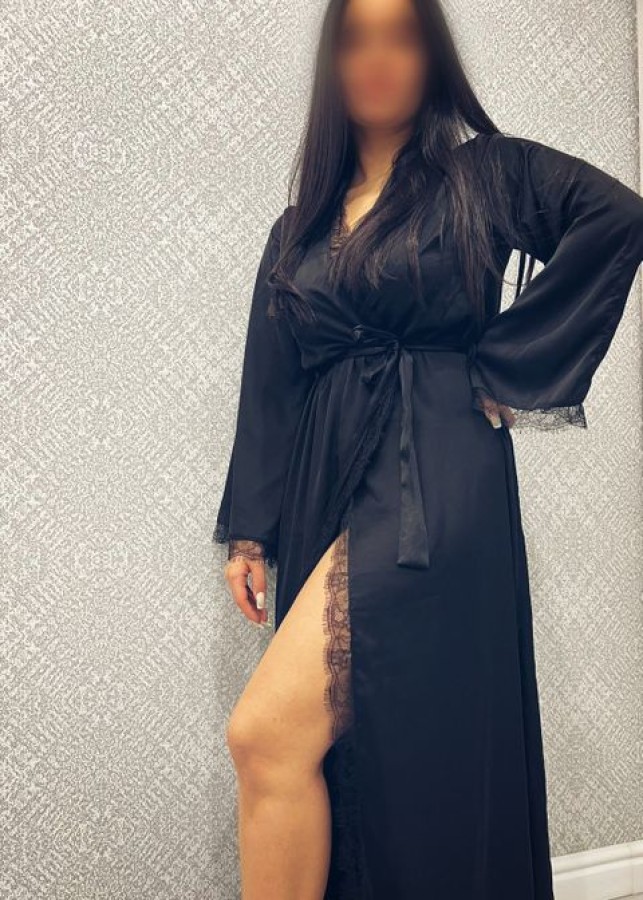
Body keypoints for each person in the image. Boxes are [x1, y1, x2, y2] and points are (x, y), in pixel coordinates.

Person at [214, 0, 643, 897]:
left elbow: (615, 217)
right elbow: (272, 381)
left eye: (401, 36)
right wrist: (251, 529)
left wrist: (503, 367)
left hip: (434, 477)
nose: (377, 59)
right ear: (332, 64)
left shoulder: (483, 175)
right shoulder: (296, 228)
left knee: (265, 734)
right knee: (372, 749)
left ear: (432, 57)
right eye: (355, 39)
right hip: (327, 481)